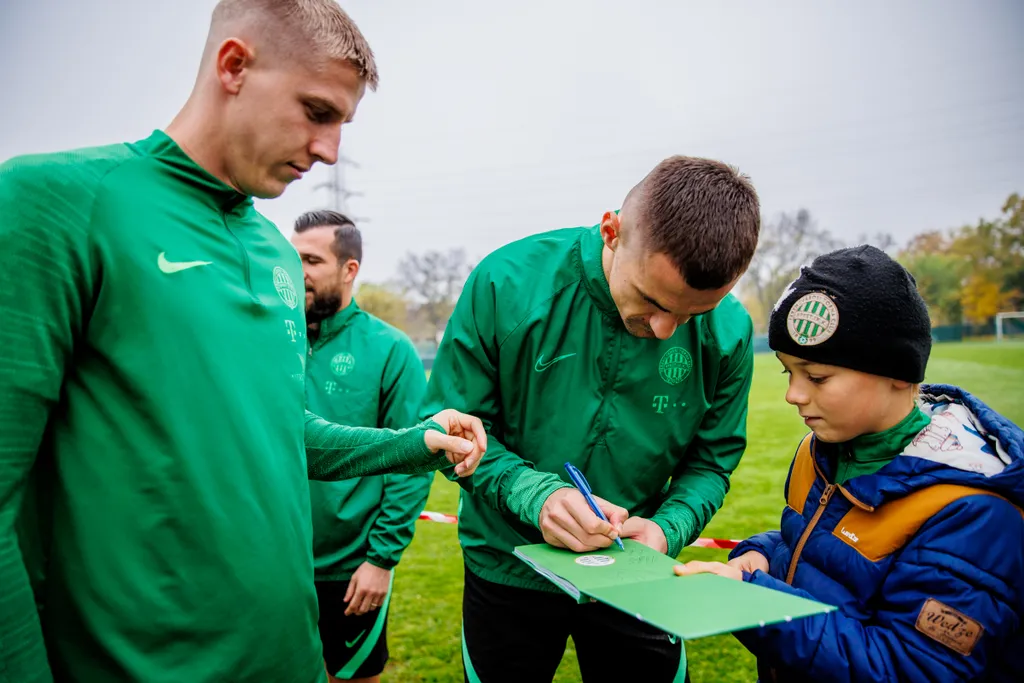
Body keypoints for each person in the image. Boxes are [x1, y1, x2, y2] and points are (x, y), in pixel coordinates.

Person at [0, 2, 487, 682]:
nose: (329, 151)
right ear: (234, 66)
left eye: (342, 124)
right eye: (318, 111)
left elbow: (282, 431)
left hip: (291, 656)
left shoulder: (275, 252)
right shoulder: (56, 201)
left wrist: (415, 440)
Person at [421, 156, 762, 682]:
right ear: (612, 231)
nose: (666, 329)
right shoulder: (506, 284)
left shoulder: (731, 331)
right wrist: (535, 497)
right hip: (508, 566)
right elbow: (450, 430)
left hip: (638, 573)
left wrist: (666, 530)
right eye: (651, 300)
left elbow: (711, 463)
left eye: (691, 314)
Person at [675, 246, 1024, 682]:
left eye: (816, 377)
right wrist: (762, 556)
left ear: (898, 373)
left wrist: (754, 601)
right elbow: (821, 551)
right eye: (789, 374)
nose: (794, 395)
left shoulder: (973, 511)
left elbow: (906, 668)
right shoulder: (819, 451)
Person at [291, 210, 433, 683]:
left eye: (311, 260)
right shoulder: (268, 339)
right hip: (271, 561)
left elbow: (412, 460)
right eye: (292, 259)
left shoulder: (389, 349)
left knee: (350, 679)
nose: (297, 271)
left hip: (348, 570)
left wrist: (380, 559)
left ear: (350, 269)